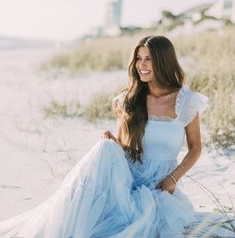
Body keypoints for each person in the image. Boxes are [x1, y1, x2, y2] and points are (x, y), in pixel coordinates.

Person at [0, 35, 208, 237]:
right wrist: (114, 143)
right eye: (138, 58)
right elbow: (126, 148)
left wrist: (173, 179)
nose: (141, 65)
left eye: (148, 59)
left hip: (160, 185)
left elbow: (195, 148)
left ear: (163, 61)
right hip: (127, 177)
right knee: (105, 148)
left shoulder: (186, 102)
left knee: (138, 223)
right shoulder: (129, 100)